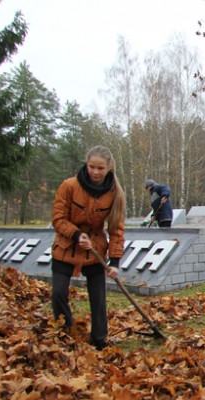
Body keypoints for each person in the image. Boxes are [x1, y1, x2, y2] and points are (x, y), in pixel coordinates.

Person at [51, 145, 126, 350]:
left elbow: (117, 230)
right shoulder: (69, 186)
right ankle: (65, 331)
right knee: (58, 293)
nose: (95, 172)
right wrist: (75, 234)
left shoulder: (115, 194)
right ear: (86, 164)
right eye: (92, 166)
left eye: (100, 168)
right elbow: (58, 218)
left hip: (95, 251)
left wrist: (115, 261)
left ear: (109, 167)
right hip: (66, 247)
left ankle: (99, 338)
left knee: (98, 297)